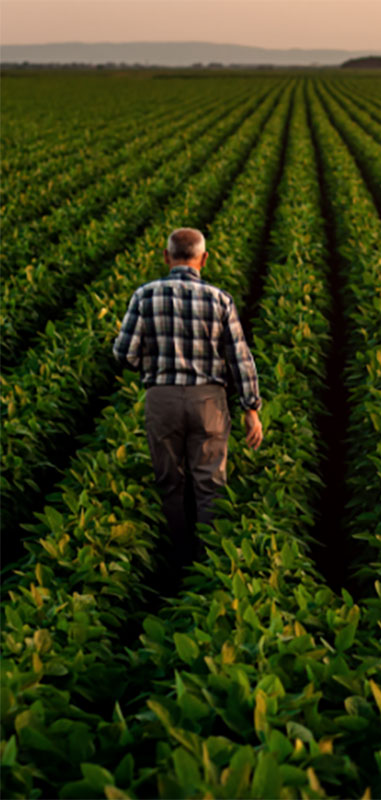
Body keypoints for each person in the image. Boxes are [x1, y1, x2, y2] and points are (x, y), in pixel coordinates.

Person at [113, 227, 263, 572]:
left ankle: (175, 561)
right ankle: (209, 565)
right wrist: (250, 407)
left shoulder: (145, 296)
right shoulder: (219, 299)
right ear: (204, 259)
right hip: (208, 400)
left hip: (162, 396)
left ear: (166, 257)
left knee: (170, 481)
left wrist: (152, 360)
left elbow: (123, 354)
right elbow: (240, 358)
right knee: (210, 484)